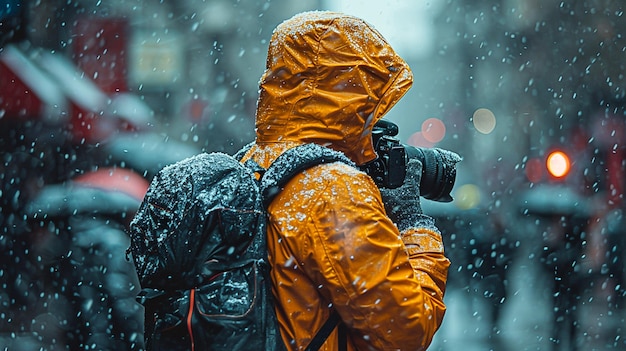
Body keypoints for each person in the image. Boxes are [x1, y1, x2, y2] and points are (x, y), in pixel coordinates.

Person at [239, 11, 450, 350]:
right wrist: (414, 226)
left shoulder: (253, 163)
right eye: (370, 102)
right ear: (351, 97)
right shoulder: (332, 190)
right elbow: (406, 331)